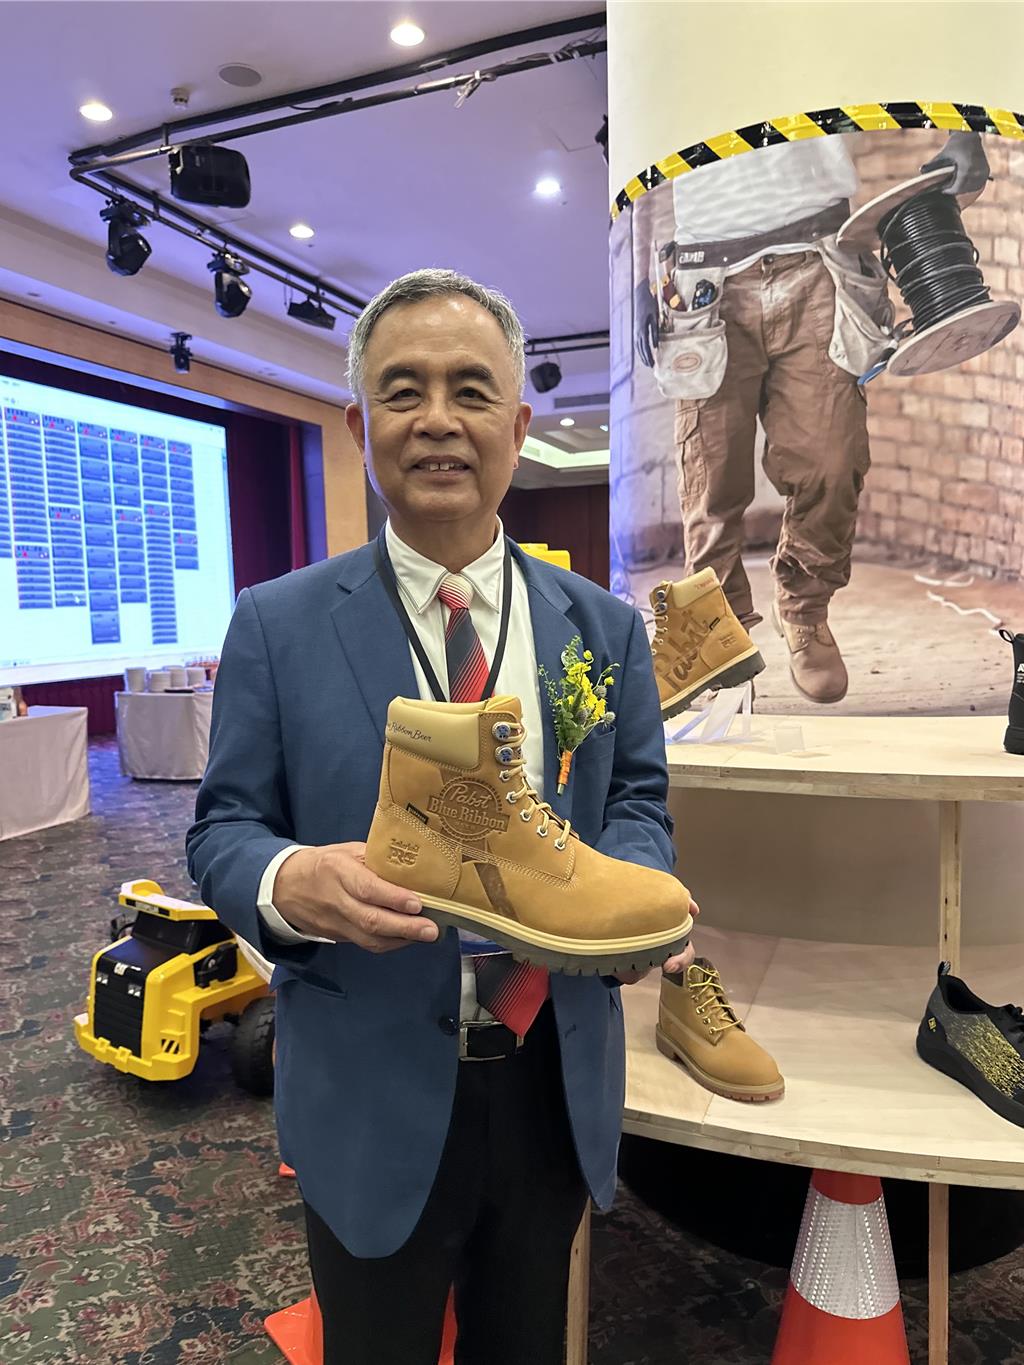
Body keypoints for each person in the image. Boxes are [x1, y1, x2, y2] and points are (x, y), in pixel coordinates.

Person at [186, 269, 695, 1365]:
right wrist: (287, 883)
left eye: (470, 390)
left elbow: (637, 799)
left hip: (550, 1068)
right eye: (402, 390)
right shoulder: (275, 624)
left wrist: (628, 892)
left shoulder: (602, 628)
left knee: (527, 1342)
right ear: (361, 425)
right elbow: (222, 827)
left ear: (517, 425)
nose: (437, 420)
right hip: (367, 1081)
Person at [633, 129, 990, 703]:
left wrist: (966, 130)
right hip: (706, 279)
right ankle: (719, 634)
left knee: (834, 460)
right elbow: (640, 142)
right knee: (711, 480)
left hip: (821, 255)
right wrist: (638, 268)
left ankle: (804, 607)